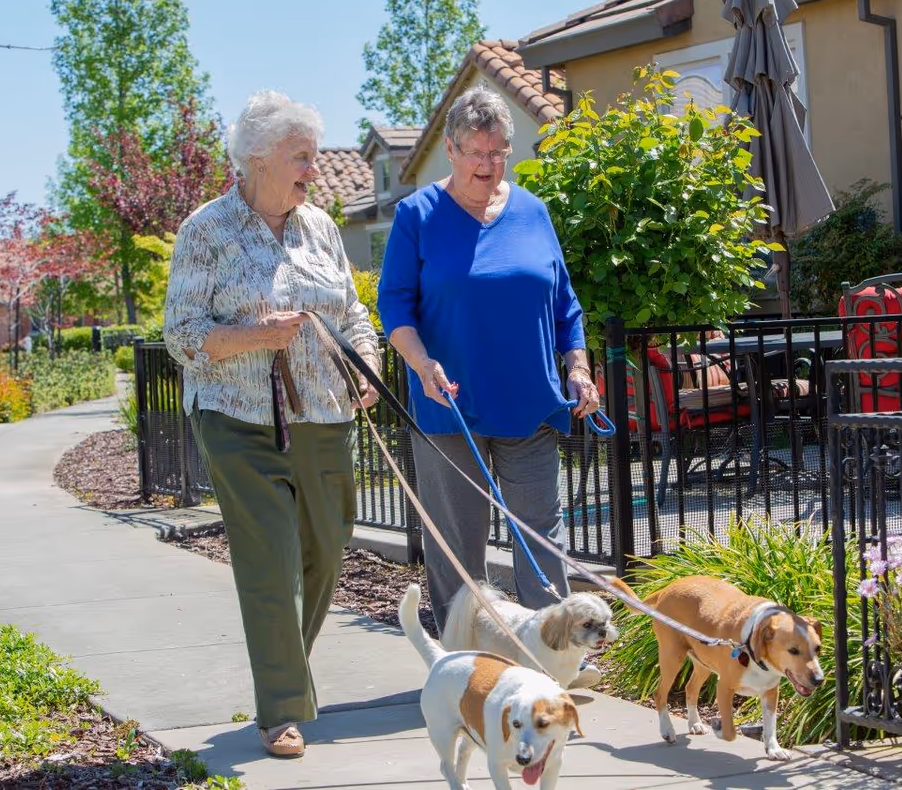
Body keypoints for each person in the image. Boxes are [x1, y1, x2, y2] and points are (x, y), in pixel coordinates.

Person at [163, 90, 380, 758]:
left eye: (314, 156)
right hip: (239, 419)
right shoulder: (208, 230)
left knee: (325, 548)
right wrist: (252, 335)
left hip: (322, 412)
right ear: (258, 158)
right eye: (301, 157)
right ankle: (281, 709)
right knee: (272, 561)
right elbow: (181, 334)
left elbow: (351, 311)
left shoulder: (318, 228)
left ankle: (284, 670)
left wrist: (367, 365)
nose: (313, 170)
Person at [377, 86, 602, 686]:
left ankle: (552, 668)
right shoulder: (417, 216)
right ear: (450, 149)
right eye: (474, 151)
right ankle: (464, 676)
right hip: (450, 410)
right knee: (458, 550)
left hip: (530, 407)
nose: (486, 164)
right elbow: (394, 306)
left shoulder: (532, 211)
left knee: (541, 545)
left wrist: (577, 367)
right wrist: (422, 364)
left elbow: (565, 304)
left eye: (498, 151)